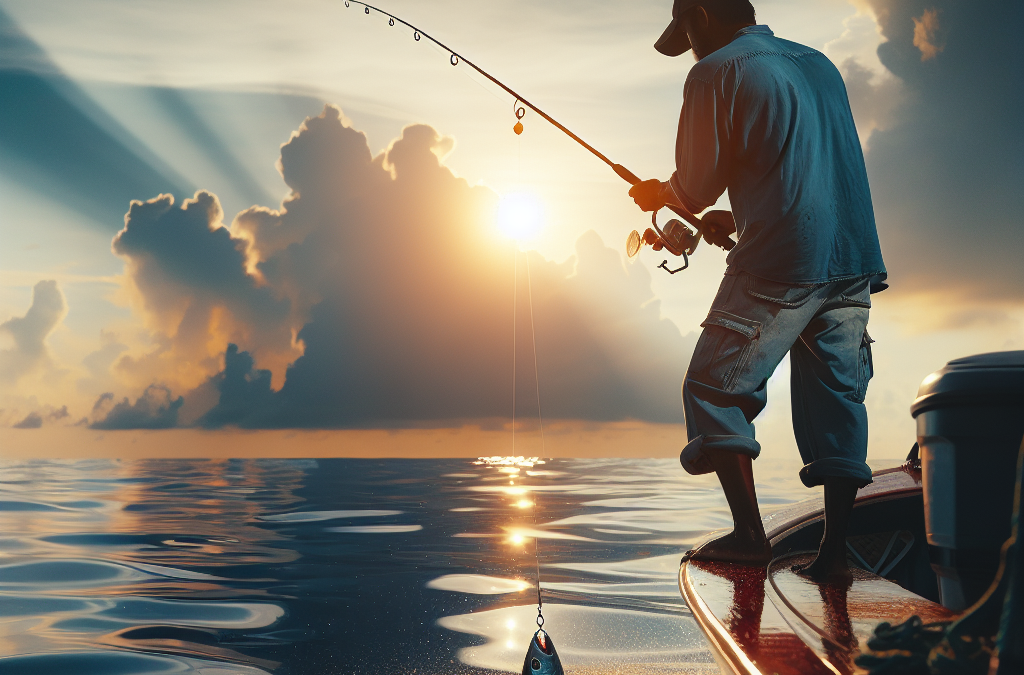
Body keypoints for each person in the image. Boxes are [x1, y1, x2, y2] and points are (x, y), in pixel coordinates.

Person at [629, 0, 887, 581]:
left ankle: (750, 537)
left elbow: (692, 187)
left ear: (698, 12)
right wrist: (735, 217)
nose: (690, 47)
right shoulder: (819, 63)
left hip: (781, 262)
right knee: (838, 402)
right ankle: (836, 555)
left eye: (687, 31)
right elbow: (799, 165)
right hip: (852, 256)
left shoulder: (715, 70)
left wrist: (659, 195)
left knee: (713, 388)